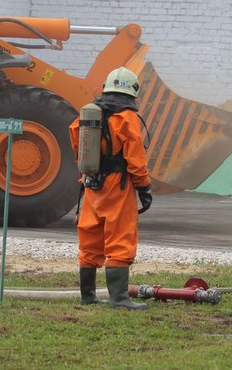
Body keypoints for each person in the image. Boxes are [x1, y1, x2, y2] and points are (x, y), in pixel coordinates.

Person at [69, 67, 152, 310]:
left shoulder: (89, 113)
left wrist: (87, 169)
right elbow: (135, 159)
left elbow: (76, 139)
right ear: (132, 91)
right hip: (117, 185)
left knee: (90, 237)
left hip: (91, 183)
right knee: (120, 236)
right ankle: (119, 298)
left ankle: (88, 296)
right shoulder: (126, 117)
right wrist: (144, 187)